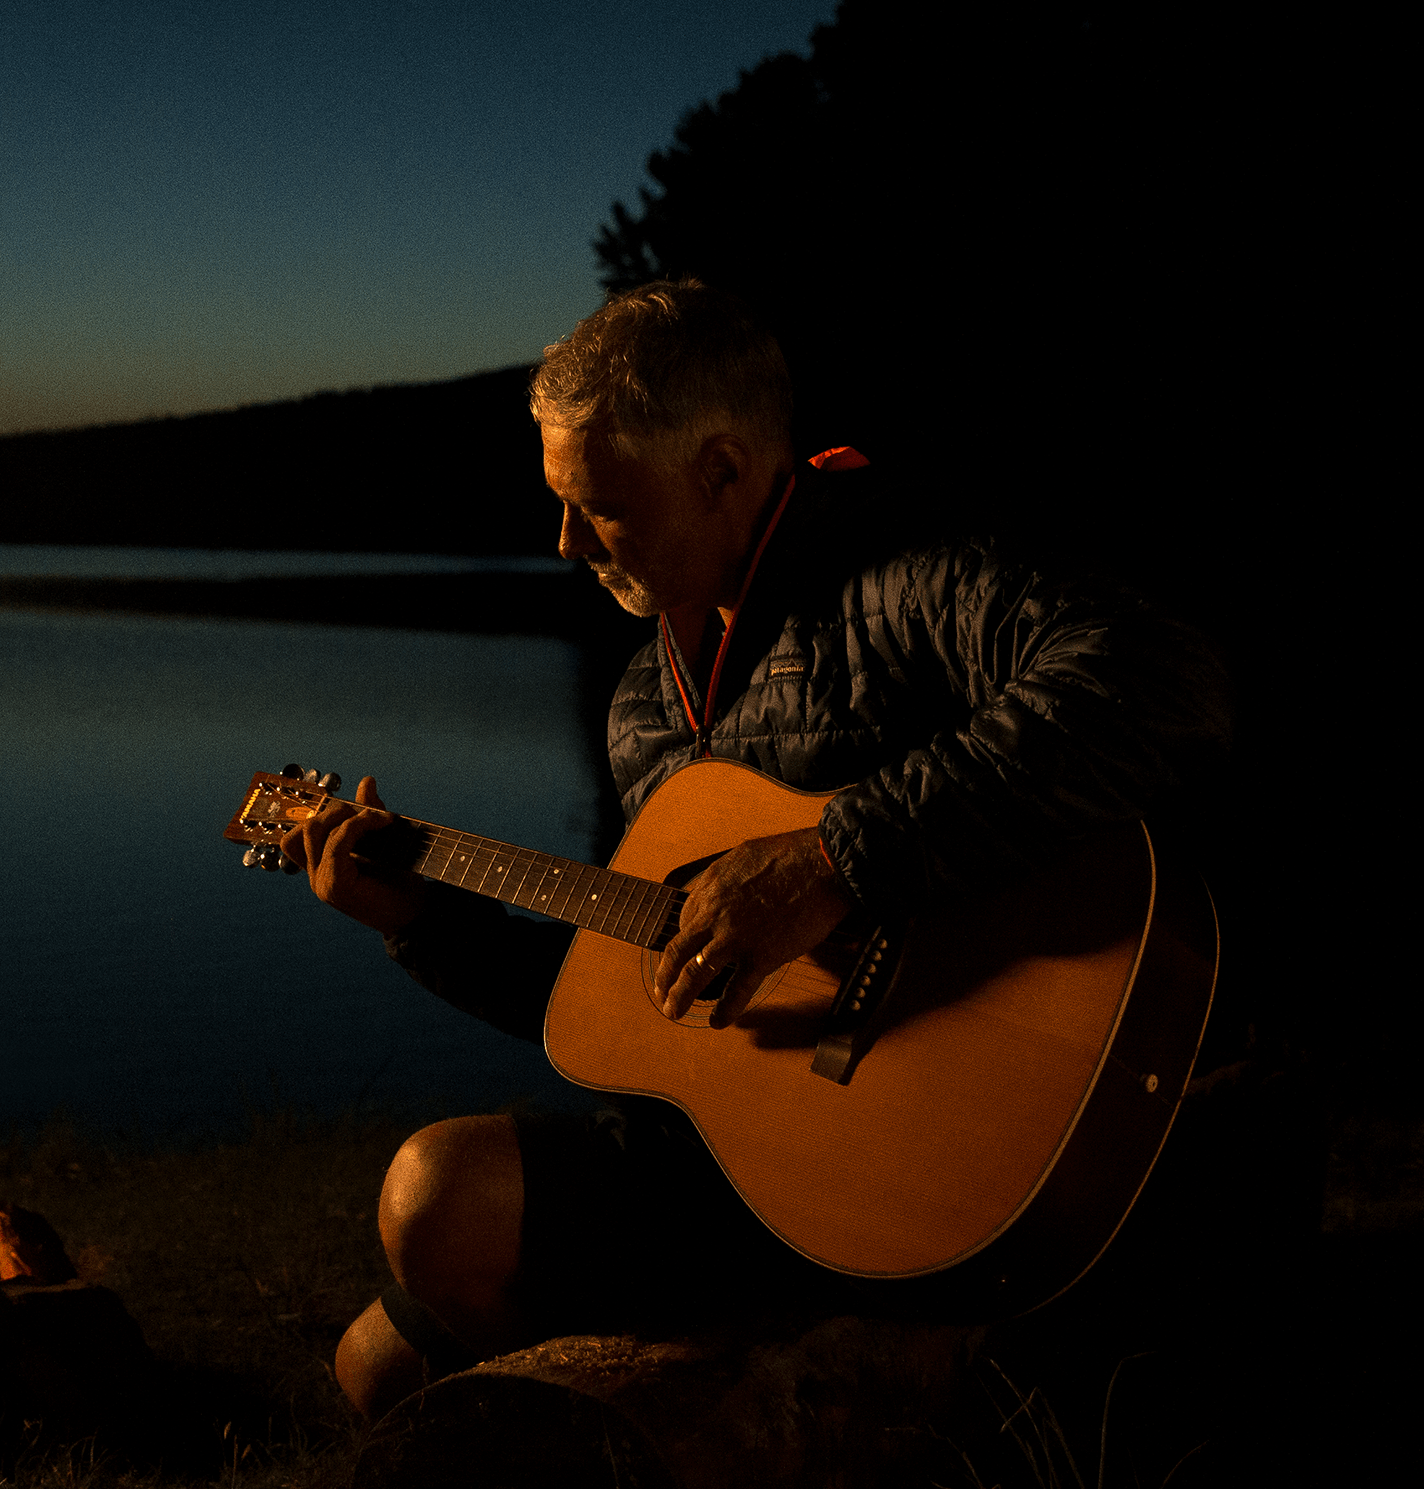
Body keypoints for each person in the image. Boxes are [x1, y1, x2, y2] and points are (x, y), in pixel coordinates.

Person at [281, 280, 1235, 1420]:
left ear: (721, 470)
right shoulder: (646, 701)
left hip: (952, 1158)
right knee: (371, 1364)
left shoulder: (908, 576)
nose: (563, 542)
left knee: (434, 1196)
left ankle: (721, 1404)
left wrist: (830, 863)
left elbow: (1159, 679)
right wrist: (423, 924)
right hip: (751, 1168)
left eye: (599, 507)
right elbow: (638, 998)